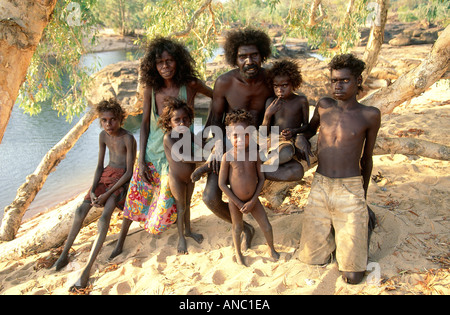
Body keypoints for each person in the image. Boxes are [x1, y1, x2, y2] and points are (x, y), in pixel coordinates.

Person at [198, 28, 305, 250]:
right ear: (234, 58)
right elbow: (214, 121)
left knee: (296, 171)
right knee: (209, 198)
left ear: (262, 55)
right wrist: (218, 145)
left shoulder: (271, 80)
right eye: (242, 56)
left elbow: (291, 104)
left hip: (263, 142)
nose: (249, 61)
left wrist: (298, 133)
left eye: (254, 55)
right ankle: (245, 228)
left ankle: (253, 173)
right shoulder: (224, 83)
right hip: (233, 145)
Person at [296, 54, 381, 284]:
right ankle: (338, 230)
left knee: (353, 277)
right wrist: (301, 138)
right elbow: (308, 130)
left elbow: (367, 158)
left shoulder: (369, 115)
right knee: (312, 259)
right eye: (334, 80)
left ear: (358, 81)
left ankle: (365, 221)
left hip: (350, 187)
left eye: (344, 80)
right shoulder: (324, 106)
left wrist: (362, 196)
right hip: (320, 185)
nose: (338, 85)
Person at [122, 36, 212, 235]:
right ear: (153, 66)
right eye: (160, 62)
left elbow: (218, 98)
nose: (165, 66)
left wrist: (206, 131)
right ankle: (121, 239)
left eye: (169, 60)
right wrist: (141, 157)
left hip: (179, 151)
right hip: (153, 151)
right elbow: (145, 124)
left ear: (178, 61)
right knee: (138, 197)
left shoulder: (189, 85)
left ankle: (183, 231)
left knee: (177, 196)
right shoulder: (151, 88)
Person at [53, 98, 136, 291]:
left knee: (105, 216)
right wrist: (92, 189)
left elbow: (129, 172)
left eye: (113, 119)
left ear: (120, 119)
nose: (108, 124)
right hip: (106, 175)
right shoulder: (103, 136)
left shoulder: (128, 138)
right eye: (104, 120)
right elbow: (100, 166)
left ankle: (87, 270)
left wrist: (107, 194)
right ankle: (64, 254)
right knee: (80, 210)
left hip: (121, 180)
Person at [218, 110, 279, 266]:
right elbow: (222, 184)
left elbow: (261, 178)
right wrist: (238, 203)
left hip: (253, 200)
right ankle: (238, 253)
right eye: (235, 135)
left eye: (245, 135)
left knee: (266, 225)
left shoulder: (254, 154)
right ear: (229, 136)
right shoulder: (227, 157)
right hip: (235, 202)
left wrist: (253, 200)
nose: (240, 139)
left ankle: (272, 248)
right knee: (237, 228)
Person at [160, 97, 204, 254]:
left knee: (188, 203)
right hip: (177, 179)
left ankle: (189, 231)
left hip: (190, 177)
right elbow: (182, 157)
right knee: (181, 207)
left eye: (185, 119)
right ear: (169, 122)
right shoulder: (168, 138)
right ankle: (181, 237)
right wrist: (204, 158)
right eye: (177, 120)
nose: (181, 123)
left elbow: (201, 144)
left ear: (190, 120)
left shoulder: (188, 134)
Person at [261, 59, 310, 176]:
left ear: (293, 83)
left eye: (284, 85)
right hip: (270, 139)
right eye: (276, 86)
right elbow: (263, 133)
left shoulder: (301, 101)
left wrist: (294, 132)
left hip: (286, 141)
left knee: (286, 153)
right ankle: (261, 166)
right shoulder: (271, 101)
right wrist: (267, 115)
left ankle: (260, 168)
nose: (280, 90)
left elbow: (306, 125)